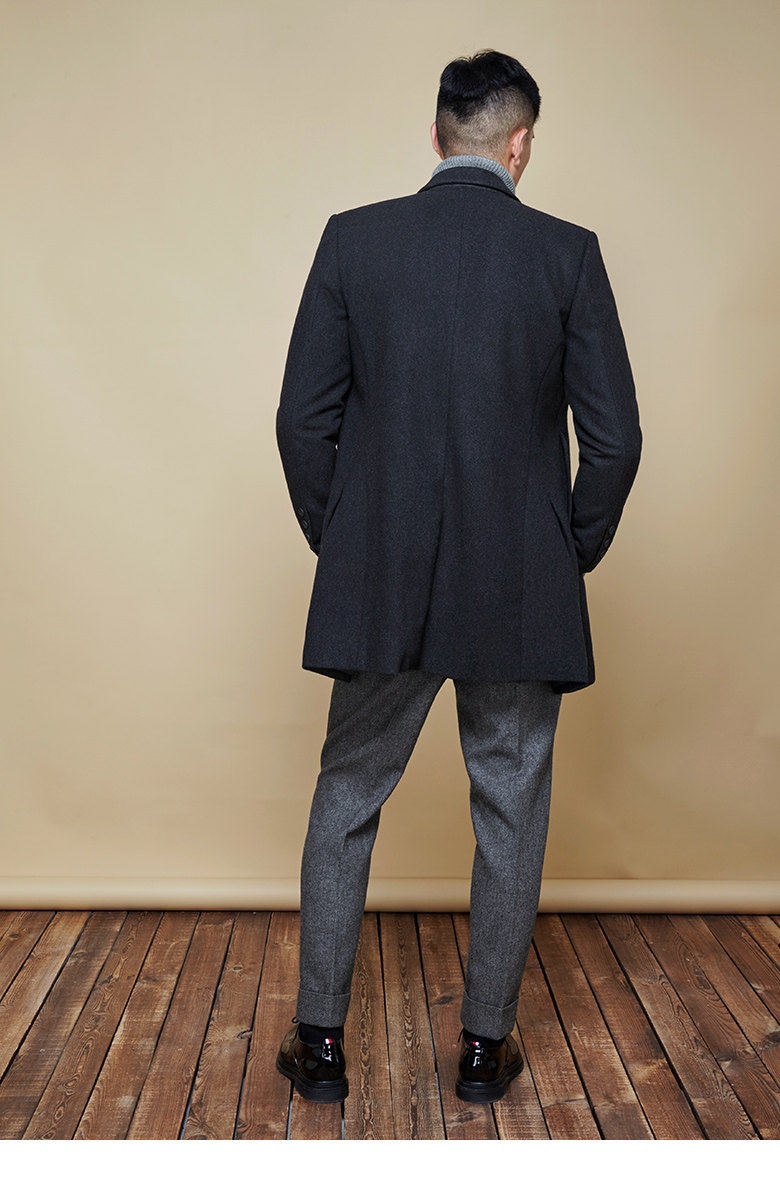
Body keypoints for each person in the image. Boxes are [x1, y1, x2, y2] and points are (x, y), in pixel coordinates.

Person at [274, 48, 642, 1105]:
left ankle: (320, 1045)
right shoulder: (567, 255)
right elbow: (614, 443)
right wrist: (564, 551)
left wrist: (348, 541)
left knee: (348, 793)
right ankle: (485, 1050)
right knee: (511, 808)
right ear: (518, 146)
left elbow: (302, 423)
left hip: (379, 577)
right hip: (519, 586)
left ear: (437, 137)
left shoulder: (354, 241)